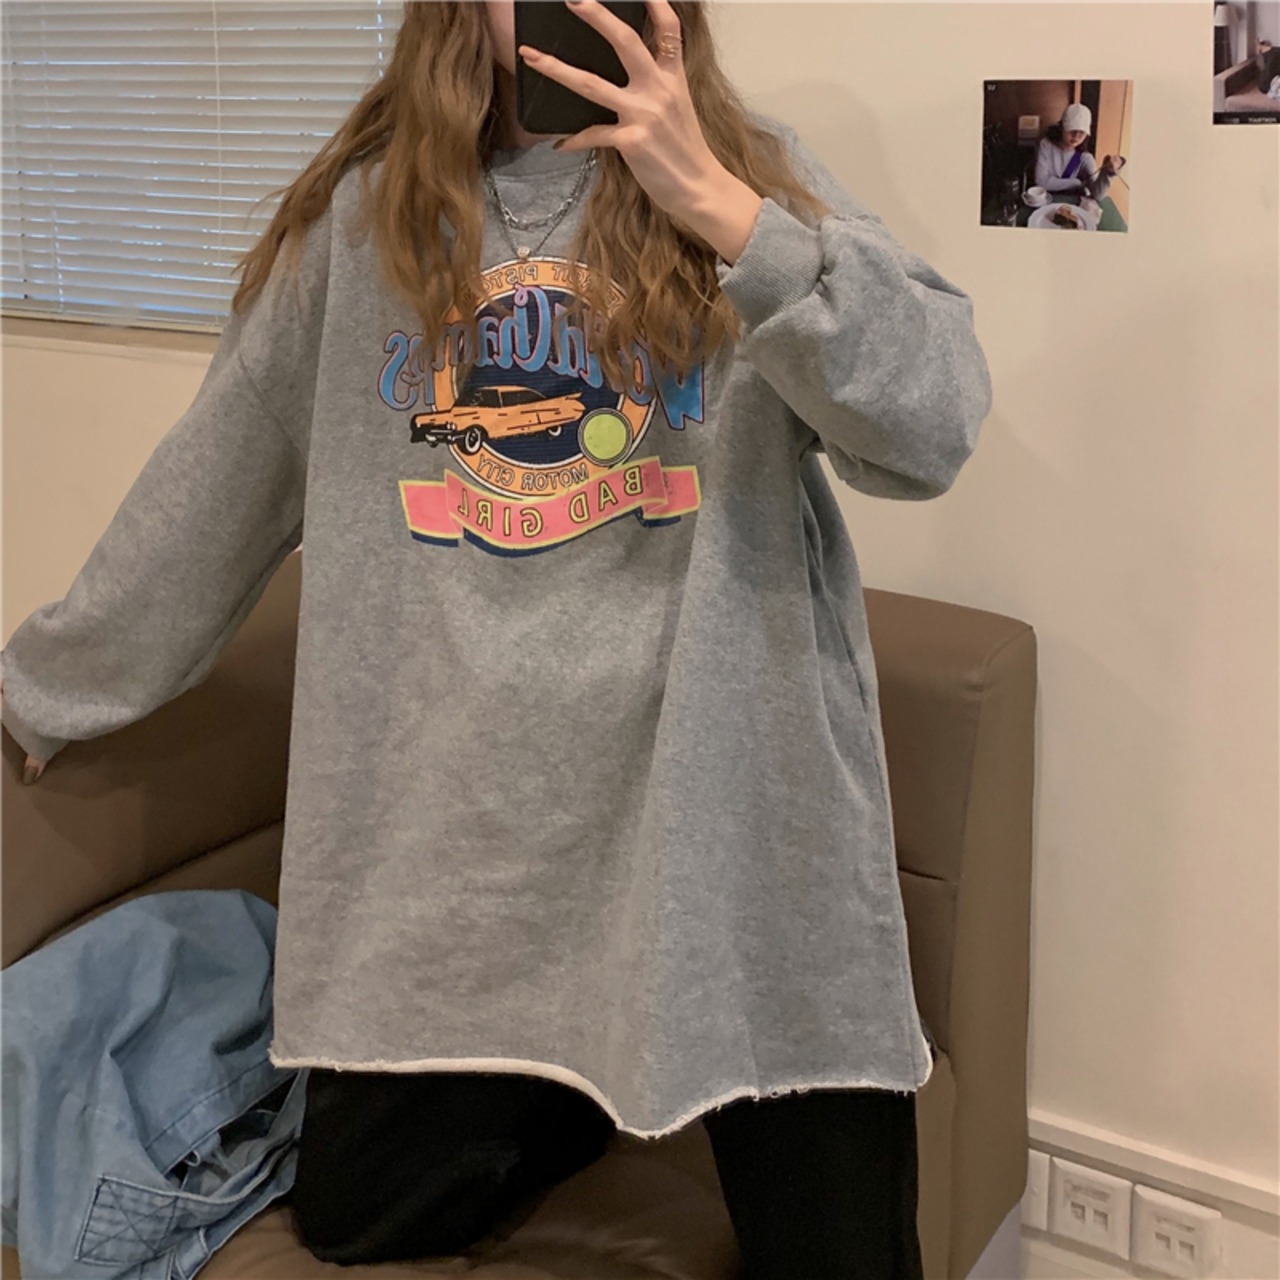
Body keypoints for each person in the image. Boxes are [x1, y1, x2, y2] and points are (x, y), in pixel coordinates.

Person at [1, 0, 990, 1273]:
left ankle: (622, 1049)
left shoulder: (750, 181)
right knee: (357, 1210)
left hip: (733, 854)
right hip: (477, 871)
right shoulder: (364, 225)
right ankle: (583, 1074)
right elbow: (210, 491)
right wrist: (48, 685)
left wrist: (721, 211)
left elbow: (932, 427)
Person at [1035, 102, 1124, 204]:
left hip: (1073, 205)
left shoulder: (1085, 158)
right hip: (1046, 200)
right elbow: (1041, 182)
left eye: (1082, 132)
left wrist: (1107, 174)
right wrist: (1076, 183)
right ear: (1062, 127)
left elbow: (1097, 195)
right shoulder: (1046, 145)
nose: (1076, 136)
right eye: (1072, 129)